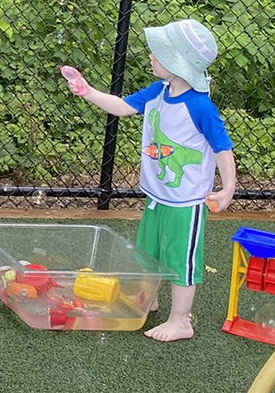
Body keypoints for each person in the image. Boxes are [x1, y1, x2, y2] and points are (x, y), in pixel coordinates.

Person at [61, 18, 237, 342]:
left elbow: (222, 148)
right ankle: (149, 300)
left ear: (178, 62)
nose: (152, 57)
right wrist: (88, 92)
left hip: (186, 203)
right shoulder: (159, 90)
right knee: (150, 253)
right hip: (158, 197)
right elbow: (123, 107)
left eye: (159, 53)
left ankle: (181, 320)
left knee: (180, 260)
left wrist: (228, 188)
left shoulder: (200, 106)